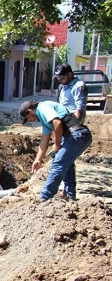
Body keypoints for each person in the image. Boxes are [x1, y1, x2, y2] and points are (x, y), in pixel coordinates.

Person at [20, 99, 92, 201]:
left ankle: (45, 197)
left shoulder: (42, 107)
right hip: (76, 136)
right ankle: (70, 195)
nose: (31, 120)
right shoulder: (43, 119)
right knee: (67, 163)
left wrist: (57, 144)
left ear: (30, 111)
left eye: (29, 118)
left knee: (58, 163)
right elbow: (44, 140)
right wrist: (38, 160)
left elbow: (57, 123)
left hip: (77, 135)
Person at [55, 63, 87, 198]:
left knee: (65, 158)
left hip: (71, 127)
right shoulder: (63, 86)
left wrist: (75, 126)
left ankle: (69, 191)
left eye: (61, 77)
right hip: (64, 125)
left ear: (69, 74)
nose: (59, 80)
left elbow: (80, 108)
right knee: (66, 159)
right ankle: (66, 189)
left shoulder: (78, 86)